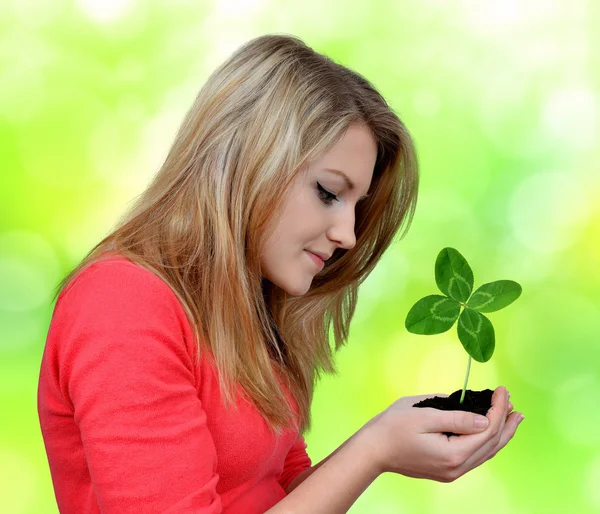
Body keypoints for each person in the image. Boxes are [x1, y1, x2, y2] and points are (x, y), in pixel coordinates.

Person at [37, 33, 523, 514]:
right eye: (330, 193)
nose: (349, 235)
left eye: (358, 206)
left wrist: (393, 441)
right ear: (247, 162)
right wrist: (374, 449)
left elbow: (284, 490)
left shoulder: (248, 306)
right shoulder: (122, 304)